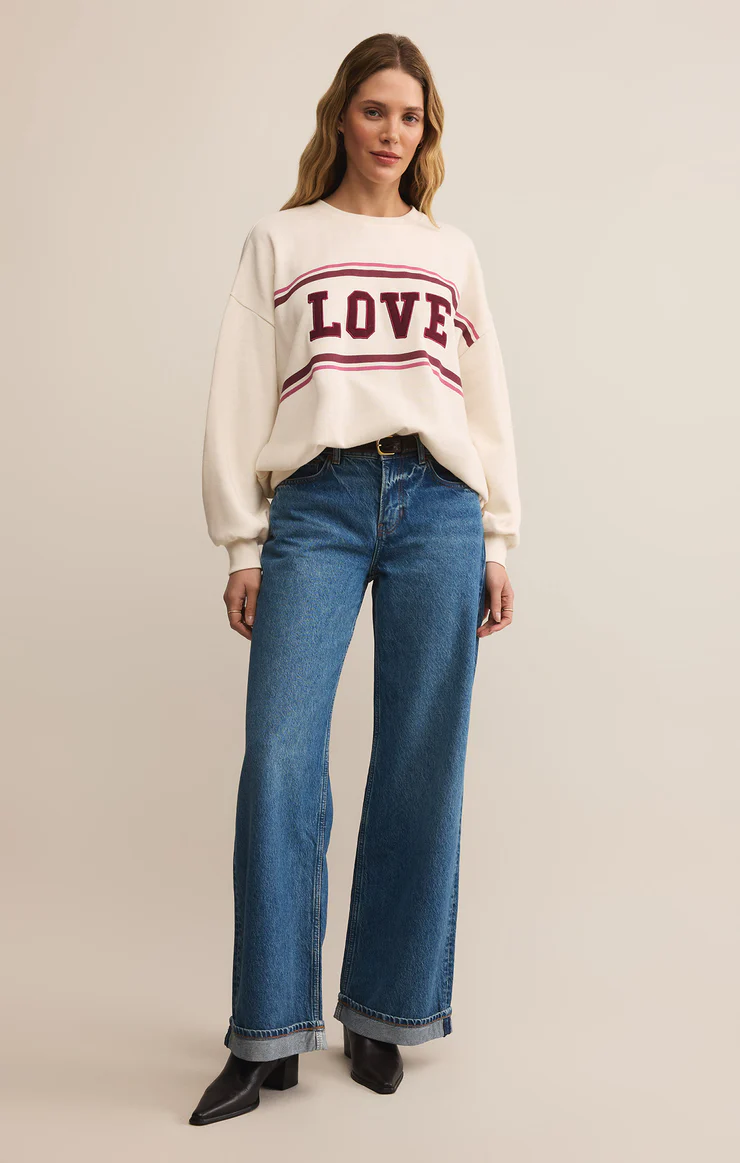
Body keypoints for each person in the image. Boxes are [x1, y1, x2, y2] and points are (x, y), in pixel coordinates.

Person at [190, 32, 521, 1124]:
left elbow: (483, 400)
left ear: (427, 132)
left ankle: (382, 1009)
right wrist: (242, 543)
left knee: (422, 759)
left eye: (410, 116)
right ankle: (268, 1032)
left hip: (438, 506)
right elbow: (240, 391)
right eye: (375, 110)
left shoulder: (450, 253)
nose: (392, 132)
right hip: (318, 505)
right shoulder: (281, 239)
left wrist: (498, 537)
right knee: (281, 758)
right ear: (342, 115)